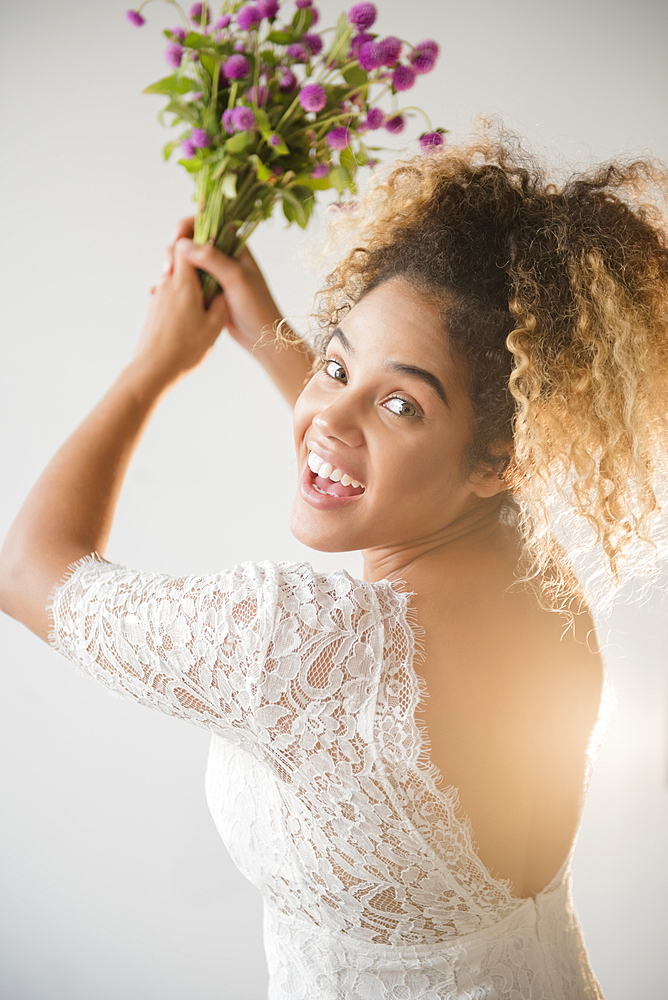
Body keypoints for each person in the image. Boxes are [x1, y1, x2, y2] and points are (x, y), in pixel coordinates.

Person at [1, 123, 668, 999]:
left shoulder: (297, 647)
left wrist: (152, 367)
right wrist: (278, 340)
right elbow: (392, 462)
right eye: (332, 361)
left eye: (400, 404)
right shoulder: (534, 566)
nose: (326, 416)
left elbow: (29, 569)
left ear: (498, 459)